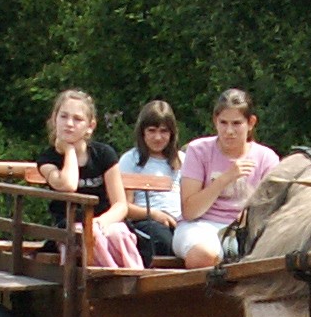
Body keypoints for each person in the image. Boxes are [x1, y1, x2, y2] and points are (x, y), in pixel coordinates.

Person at [29, 89, 141, 268]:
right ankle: (100, 282)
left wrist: (102, 221)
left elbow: (120, 204)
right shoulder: (47, 159)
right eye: (63, 117)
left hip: (104, 220)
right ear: (54, 119)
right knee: (87, 236)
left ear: (90, 126)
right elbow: (68, 184)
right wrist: (69, 150)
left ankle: (131, 281)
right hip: (70, 225)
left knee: (119, 234)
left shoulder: (104, 154)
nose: (69, 124)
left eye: (78, 119)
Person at [174, 89, 279, 270]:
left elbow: (272, 210)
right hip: (200, 226)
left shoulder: (266, 158)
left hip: (247, 231)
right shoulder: (198, 150)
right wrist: (225, 179)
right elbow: (190, 211)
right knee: (204, 256)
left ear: (251, 123)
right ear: (215, 121)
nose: (229, 131)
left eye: (237, 123)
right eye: (223, 123)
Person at [118, 99, 184, 267]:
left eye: (164, 131)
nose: (158, 137)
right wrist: (154, 214)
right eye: (152, 131)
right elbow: (124, 206)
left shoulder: (182, 161)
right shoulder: (131, 160)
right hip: (147, 221)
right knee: (163, 241)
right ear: (142, 132)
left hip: (181, 220)